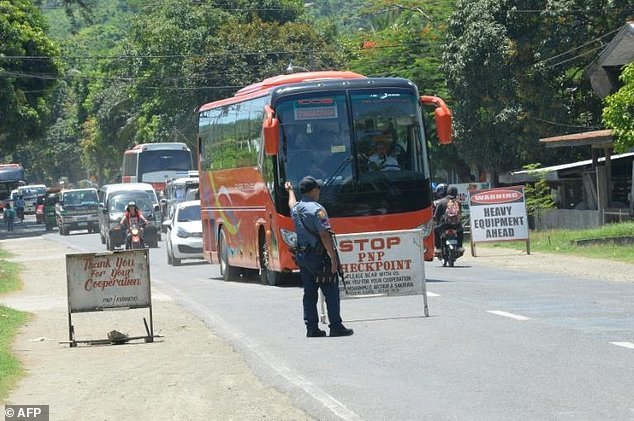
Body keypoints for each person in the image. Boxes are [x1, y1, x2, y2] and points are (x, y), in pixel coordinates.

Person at [285, 176, 354, 338]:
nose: (319, 191)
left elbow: (291, 203)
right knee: (330, 291)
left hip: (303, 257)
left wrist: (290, 191)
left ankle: (311, 328)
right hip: (320, 258)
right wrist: (334, 259)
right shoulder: (317, 209)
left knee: (309, 293)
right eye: (318, 188)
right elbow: (324, 234)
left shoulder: (297, 209)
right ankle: (336, 326)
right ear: (313, 190)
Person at [433, 185, 464, 255]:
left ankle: (438, 248)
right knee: (461, 231)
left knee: (435, 231)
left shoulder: (441, 202)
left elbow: (437, 215)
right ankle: (459, 247)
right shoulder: (458, 202)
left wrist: (437, 222)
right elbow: (459, 214)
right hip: (456, 225)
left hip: (444, 225)